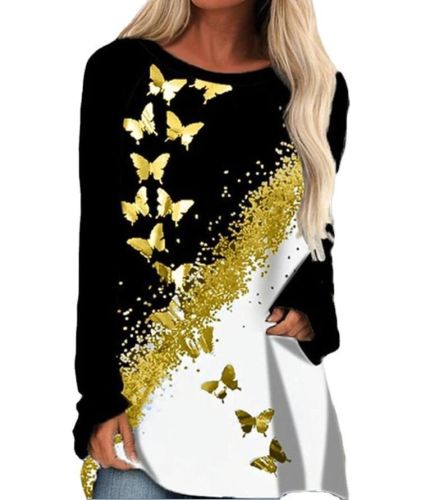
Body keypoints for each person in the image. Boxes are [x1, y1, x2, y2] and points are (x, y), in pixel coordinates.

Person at [73, 0, 351, 499]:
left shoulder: (313, 88)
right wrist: (98, 396)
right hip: (142, 407)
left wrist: (312, 313)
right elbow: (99, 243)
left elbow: (313, 233)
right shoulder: (120, 70)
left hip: (264, 408)